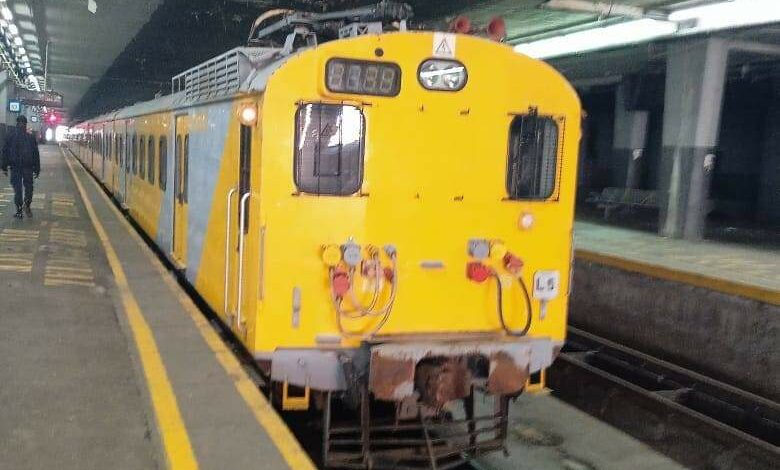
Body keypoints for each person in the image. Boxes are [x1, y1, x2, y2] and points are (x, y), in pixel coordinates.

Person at [1, 116, 40, 218]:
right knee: (29, 188)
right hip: (28, 167)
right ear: (26, 124)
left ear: (16, 124)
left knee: (18, 190)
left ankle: (19, 210)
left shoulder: (10, 136)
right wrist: (37, 169)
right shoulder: (31, 138)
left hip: (15, 167)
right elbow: (36, 154)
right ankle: (27, 205)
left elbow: (5, 152)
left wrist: (4, 167)